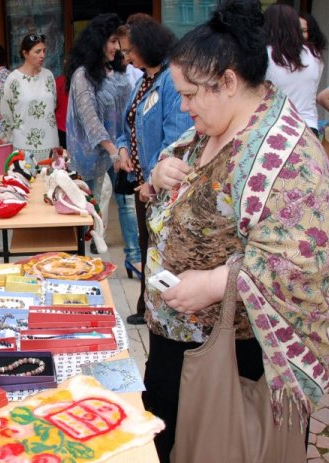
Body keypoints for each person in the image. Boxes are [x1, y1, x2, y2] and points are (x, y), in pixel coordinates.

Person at [142, 0, 329, 460]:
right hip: (177, 336)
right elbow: (179, 187)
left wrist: (211, 284)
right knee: (169, 443)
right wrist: (159, 173)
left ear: (228, 81)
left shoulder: (289, 157)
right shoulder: (214, 127)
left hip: (232, 357)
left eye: (190, 94)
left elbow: (300, 261)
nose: (183, 106)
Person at [116, 14, 192, 325]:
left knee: (161, 248)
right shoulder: (144, 80)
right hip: (141, 181)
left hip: (160, 183)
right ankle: (147, 306)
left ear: (145, 46)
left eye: (128, 51)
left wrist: (152, 181)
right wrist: (123, 149)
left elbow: (175, 139)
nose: (126, 57)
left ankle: (158, 309)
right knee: (148, 245)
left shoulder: (170, 82)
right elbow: (127, 126)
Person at [65, 13, 141, 269]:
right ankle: (81, 263)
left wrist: (123, 147)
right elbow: (90, 120)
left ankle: (135, 258)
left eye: (118, 42)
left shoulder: (120, 72)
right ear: (98, 41)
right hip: (89, 152)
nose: (117, 48)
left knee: (127, 202)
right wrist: (112, 150)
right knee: (86, 209)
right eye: (111, 41)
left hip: (118, 148)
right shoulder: (82, 76)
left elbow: (128, 109)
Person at [264, 4, 323, 134]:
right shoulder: (314, 55)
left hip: (274, 126)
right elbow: (312, 89)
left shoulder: (265, 55)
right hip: (308, 126)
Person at [0, 34, 59, 161]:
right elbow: (6, 115)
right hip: (23, 147)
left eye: (44, 51)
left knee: (51, 180)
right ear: (25, 53)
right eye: (37, 51)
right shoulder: (13, 79)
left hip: (50, 144)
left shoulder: (49, 75)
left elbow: (53, 106)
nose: (42, 55)